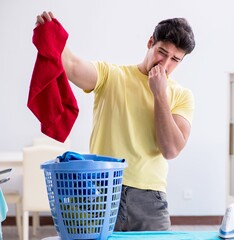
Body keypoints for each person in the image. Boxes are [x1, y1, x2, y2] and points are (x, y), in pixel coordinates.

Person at [35, 11, 195, 231]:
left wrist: (159, 94)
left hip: (150, 199)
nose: (166, 64)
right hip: (101, 191)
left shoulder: (181, 95)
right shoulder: (111, 76)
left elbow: (171, 150)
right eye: (162, 52)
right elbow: (71, 65)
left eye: (175, 59)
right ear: (150, 42)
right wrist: (50, 34)